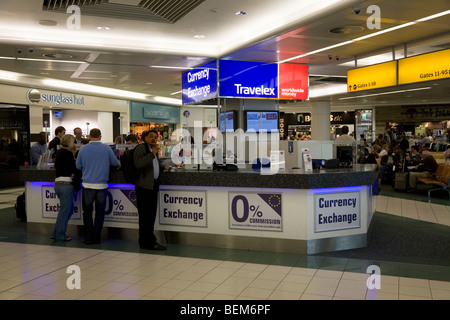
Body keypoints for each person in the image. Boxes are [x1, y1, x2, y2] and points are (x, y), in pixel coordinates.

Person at [76, 128, 119, 244]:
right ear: (100, 136)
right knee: (100, 212)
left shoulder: (83, 149)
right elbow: (115, 163)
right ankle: (97, 237)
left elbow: (78, 166)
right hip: (101, 185)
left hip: (87, 184)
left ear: (89, 137)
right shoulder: (106, 148)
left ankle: (88, 237)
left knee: (87, 212)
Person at [133, 130, 171, 250]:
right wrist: (152, 154)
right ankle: (147, 242)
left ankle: (148, 240)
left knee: (151, 216)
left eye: (155, 137)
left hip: (152, 186)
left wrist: (163, 166)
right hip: (144, 187)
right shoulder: (141, 148)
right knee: (145, 216)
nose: (154, 139)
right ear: (145, 138)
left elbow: (153, 164)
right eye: (151, 137)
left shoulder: (152, 149)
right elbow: (138, 164)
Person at [50, 134, 80, 242]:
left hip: (58, 184)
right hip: (66, 185)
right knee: (65, 211)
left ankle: (55, 233)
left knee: (67, 210)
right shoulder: (67, 154)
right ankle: (60, 235)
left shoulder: (60, 152)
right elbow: (73, 169)